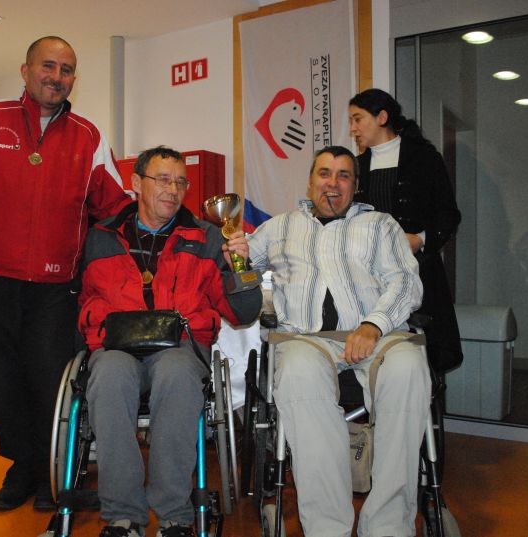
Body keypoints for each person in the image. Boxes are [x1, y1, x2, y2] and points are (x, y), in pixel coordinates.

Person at [0, 36, 132, 511]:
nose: (56, 77)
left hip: (56, 284)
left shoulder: (89, 137)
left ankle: (54, 474)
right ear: (25, 70)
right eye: (48, 66)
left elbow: (113, 204)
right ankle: (21, 467)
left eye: (66, 70)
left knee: (51, 379)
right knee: (2, 378)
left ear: (74, 79)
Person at [78, 146, 262, 537]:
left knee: (177, 375)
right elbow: (81, 301)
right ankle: (123, 516)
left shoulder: (207, 237)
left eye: (181, 182)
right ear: (135, 183)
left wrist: (241, 265)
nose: (173, 189)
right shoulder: (99, 237)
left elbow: (243, 313)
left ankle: (175, 515)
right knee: (108, 377)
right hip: (117, 347)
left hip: (180, 347)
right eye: (163, 179)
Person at [247, 146, 430, 537]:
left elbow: (405, 281)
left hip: (378, 335)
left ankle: (388, 527)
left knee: (409, 367)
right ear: (310, 182)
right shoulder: (279, 227)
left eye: (344, 175)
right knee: (297, 371)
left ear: (355, 185)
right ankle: (327, 528)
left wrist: (374, 325)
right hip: (307, 338)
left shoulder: (381, 225)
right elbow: (242, 265)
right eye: (325, 173)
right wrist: (235, 254)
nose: (333, 183)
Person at [350, 88, 463, 374]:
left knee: (420, 359)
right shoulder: (356, 167)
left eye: (358, 119)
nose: (353, 128)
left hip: (420, 271)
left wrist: (420, 239)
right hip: (368, 277)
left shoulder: (424, 158)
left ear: (382, 117)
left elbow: (448, 214)